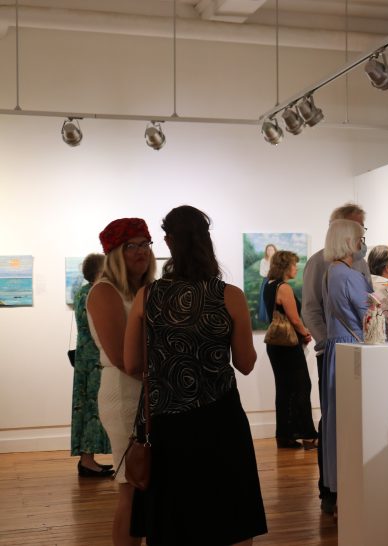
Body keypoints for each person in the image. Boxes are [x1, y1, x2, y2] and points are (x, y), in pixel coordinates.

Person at [124, 205, 267, 545]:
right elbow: (245, 363)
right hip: (220, 419)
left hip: (167, 421)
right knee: (229, 514)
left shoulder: (148, 295)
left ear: (168, 242)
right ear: (206, 240)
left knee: (173, 519)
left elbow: (132, 363)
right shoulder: (230, 296)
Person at [86, 217, 156, 546]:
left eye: (145, 244)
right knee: (132, 486)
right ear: (115, 253)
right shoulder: (105, 291)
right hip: (126, 394)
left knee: (149, 487)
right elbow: (121, 357)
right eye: (132, 246)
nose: (141, 252)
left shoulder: (148, 289)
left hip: (150, 392)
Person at [302, 203, 371, 513]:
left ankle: (343, 485)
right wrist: (325, 343)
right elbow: (311, 308)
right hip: (339, 348)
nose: (361, 237)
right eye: (357, 230)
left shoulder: (352, 265)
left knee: (341, 417)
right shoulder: (325, 265)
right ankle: (332, 490)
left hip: (347, 348)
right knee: (335, 418)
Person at [263, 250, 316, 449]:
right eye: (294, 264)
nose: (296, 268)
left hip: (275, 346)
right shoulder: (284, 287)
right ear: (285, 267)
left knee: (284, 390)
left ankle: (284, 436)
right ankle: (308, 437)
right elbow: (294, 319)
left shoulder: (269, 285)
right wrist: (306, 333)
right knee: (302, 387)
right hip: (287, 345)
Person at [71, 252, 113, 478]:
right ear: (101, 271)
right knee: (93, 409)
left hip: (85, 358)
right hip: (94, 359)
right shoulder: (94, 293)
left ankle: (88, 460)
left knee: (87, 407)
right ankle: (87, 462)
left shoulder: (82, 292)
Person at [256, 244, 277, 323]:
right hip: (266, 281)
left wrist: (272, 274)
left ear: (275, 250)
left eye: (271, 249)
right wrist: (271, 274)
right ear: (266, 251)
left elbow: (279, 272)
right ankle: (265, 317)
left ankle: (276, 318)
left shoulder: (277, 261)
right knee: (264, 297)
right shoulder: (263, 261)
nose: (270, 251)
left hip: (276, 280)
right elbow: (262, 273)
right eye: (268, 250)